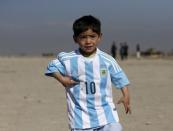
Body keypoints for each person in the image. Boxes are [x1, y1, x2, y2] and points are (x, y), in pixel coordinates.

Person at [45, 15, 131, 131]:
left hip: (106, 114)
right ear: (75, 38)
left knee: (116, 128)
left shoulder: (107, 60)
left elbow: (119, 77)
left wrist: (126, 95)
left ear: (99, 37)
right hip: (80, 118)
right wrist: (61, 79)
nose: (88, 41)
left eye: (92, 36)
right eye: (83, 37)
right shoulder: (68, 59)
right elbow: (52, 66)